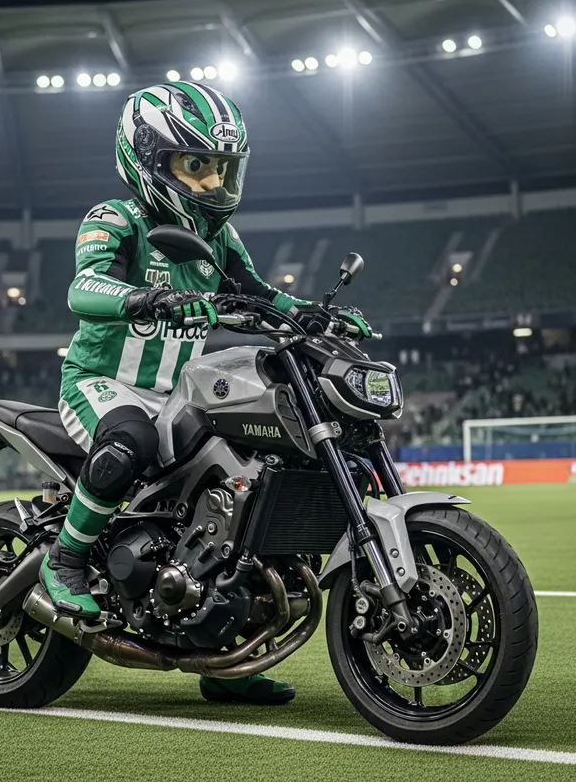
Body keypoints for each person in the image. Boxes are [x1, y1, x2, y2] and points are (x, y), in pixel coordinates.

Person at [41, 81, 372, 705]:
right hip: (104, 386)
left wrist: (315, 315)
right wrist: (145, 296)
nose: (212, 183)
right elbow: (83, 288)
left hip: (183, 396)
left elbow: (263, 295)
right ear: (147, 157)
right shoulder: (115, 218)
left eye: (220, 168)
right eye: (196, 166)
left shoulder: (220, 239)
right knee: (129, 438)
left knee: (245, 488)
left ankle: (229, 658)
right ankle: (66, 559)